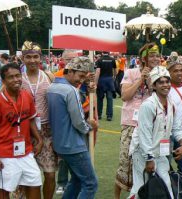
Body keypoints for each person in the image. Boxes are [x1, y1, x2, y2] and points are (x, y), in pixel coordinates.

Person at [128, 66, 182, 199]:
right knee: (139, 190)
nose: (165, 85)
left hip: (161, 152)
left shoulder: (171, 104)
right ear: (154, 86)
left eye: (167, 81)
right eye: (161, 82)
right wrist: (149, 158)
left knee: (166, 186)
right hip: (142, 153)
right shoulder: (148, 105)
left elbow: (176, 127)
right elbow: (144, 134)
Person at [114, 43, 161, 199]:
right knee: (125, 162)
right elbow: (125, 96)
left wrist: (149, 82)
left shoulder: (160, 74)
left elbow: (160, 97)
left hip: (150, 124)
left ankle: (142, 194)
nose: (155, 58)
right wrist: (140, 79)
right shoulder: (131, 72)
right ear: (143, 58)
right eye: (152, 55)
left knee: (148, 162)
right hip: (130, 123)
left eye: (157, 55)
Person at [47, 56, 98, 199]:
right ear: (69, 71)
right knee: (90, 183)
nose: (81, 81)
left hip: (60, 143)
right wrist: (89, 126)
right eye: (80, 76)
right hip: (73, 144)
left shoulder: (52, 88)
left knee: (76, 179)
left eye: (84, 77)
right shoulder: (71, 91)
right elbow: (78, 122)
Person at [0, 63, 43, 199]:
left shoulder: (26, 96)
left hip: (26, 151)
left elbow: (30, 119)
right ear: (3, 81)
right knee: (5, 190)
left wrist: (39, 139)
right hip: (5, 154)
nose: (16, 79)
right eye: (11, 77)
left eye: (18, 76)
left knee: (35, 181)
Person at [20, 41, 57, 199]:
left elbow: (59, 98)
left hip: (47, 131)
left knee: (49, 175)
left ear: (40, 58)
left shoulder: (49, 76)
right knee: (25, 178)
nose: (32, 60)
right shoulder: (17, 78)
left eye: (36, 57)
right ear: (23, 59)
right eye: (29, 57)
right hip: (24, 132)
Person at [95, 52, 117, 121]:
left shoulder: (99, 60)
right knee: (109, 99)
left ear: (102, 52)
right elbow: (115, 70)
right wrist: (114, 77)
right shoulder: (112, 59)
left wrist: (96, 82)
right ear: (108, 52)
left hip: (101, 81)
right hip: (109, 80)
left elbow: (98, 71)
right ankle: (109, 116)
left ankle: (99, 115)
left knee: (100, 99)